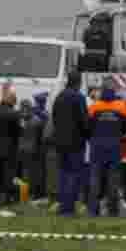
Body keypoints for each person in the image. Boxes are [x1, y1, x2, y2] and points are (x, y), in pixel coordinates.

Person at [87, 78, 126, 217]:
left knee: (95, 178)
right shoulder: (122, 106)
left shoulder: (94, 107)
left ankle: (93, 210)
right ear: (114, 90)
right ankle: (112, 211)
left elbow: (88, 128)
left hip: (97, 147)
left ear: (101, 90)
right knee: (113, 179)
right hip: (115, 147)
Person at [52, 71, 90, 216]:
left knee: (62, 173)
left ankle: (61, 204)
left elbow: (54, 118)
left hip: (60, 142)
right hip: (76, 142)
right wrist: (87, 135)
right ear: (79, 83)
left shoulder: (59, 97)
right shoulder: (79, 98)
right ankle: (68, 208)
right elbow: (84, 121)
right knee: (73, 175)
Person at [0, 86, 22, 205]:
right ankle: (6, 198)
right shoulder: (14, 114)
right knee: (8, 174)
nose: (15, 103)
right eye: (14, 101)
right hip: (9, 148)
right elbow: (18, 132)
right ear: (11, 101)